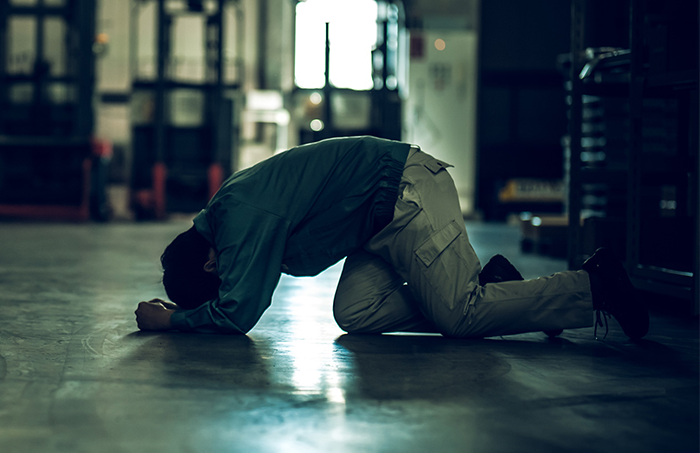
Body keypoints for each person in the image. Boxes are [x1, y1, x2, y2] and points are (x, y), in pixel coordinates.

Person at [134, 136, 648, 340]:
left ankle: (594, 285)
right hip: (376, 228)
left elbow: (238, 310)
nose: (224, 276)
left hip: (406, 195)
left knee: (460, 316)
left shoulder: (239, 217)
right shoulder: (228, 217)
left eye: (216, 276)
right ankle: (484, 282)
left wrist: (173, 320)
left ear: (207, 264)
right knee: (355, 315)